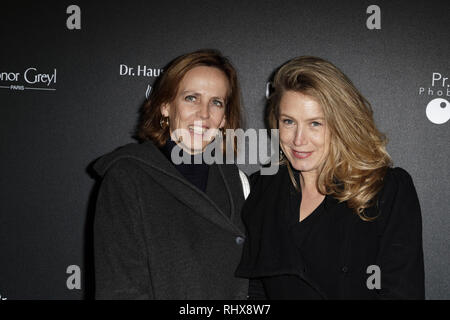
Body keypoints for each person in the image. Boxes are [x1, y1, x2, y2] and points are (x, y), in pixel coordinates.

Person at [235, 56, 425, 299]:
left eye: (315, 123)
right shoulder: (262, 189)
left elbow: (401, 292)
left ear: (341, 125)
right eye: (288, 122)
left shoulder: (384, 189)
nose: (298, 140)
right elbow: (255, 289)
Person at [93, 49, 249, 299]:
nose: (204, 113)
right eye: (191, 98)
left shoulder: (237, 182)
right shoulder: (128, 177)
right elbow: (120, 289)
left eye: (216, 102)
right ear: (165, 106)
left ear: (223, 119)